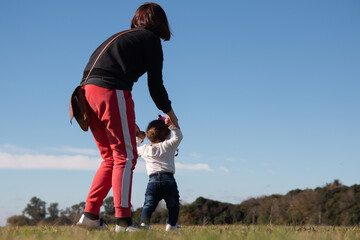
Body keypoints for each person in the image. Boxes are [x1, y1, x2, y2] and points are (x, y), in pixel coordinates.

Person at [76, 2, 180, 232]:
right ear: (161, 23)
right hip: (112, 91)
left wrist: (127, 120)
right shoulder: (150, 40)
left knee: (109, 158)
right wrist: (172, 116)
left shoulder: (121, 36)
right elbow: (156, 86)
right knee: (126, 157)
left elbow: (99, 74)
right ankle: (124, 222)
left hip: (85, 94)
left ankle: (91, 215)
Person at [136, 117, 183, 231]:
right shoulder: (168, 145)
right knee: (173, 204)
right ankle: (171, 225)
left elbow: (134, 148)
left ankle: (144, 224)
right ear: (167, 136)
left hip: (152, 181)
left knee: (149, 205)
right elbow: (178, 136)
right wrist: (172, 125)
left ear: (148, 136)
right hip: (168, 180)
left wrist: (138, 138)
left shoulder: (145, 149)